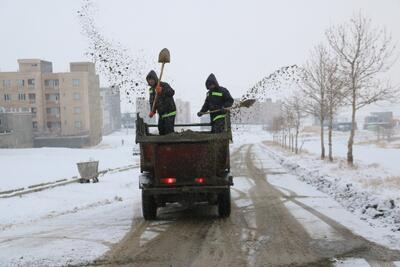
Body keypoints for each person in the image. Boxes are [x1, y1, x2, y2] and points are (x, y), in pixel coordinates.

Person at [146, 70, 176, 135]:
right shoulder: (151, 90)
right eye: (149, 80)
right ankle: (164, 145)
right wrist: (152, 110)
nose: (151, 81)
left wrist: (162, 91)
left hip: (170, 112)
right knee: (161, 130)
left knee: (169, 132)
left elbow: (172, 92)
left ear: (155, 79)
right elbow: (152, 101)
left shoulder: (164, 85)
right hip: (161, 114)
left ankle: (170, 144)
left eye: (152, 79)